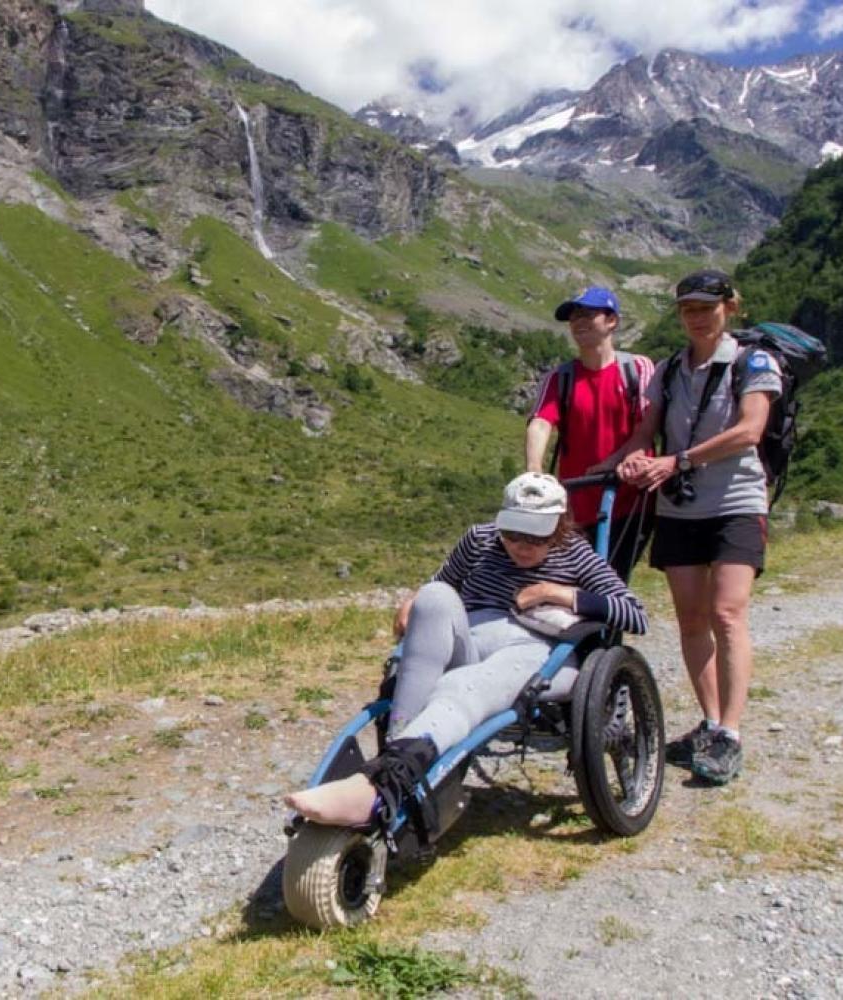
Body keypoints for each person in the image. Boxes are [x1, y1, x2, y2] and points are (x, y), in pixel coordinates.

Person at [284, 472, 647, 829]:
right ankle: (398, 752)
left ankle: (386, 781)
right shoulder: (480, 539)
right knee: (435, 597)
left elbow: (634, 614)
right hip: (471, 640)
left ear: (557, 527)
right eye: (512, 533)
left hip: (535, 652)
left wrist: (555, 593)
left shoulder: (576, 554)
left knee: (464, 685)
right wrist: (415, 603)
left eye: (534, 536)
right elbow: (442, 583)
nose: (521, 545)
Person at [602, 269, 781, 786]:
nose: (697, 317)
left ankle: (730, 733)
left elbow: (749, 430)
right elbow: (643, 432)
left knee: (727, 614)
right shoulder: (669, 370)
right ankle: (709, 722)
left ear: (730, 308)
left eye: (707, 307)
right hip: (680, 508)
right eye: (688, 309)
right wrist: (626, 463)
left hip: (736, 502)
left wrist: (675, 462)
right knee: (691, 620)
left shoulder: (753, 362)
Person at [525, 286, 655, 581]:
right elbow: (541, 422)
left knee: (608, 582)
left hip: (629, 500)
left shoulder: (636, 368)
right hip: (576, 504)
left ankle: (609, 627)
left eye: (588, 314)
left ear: (612, 321)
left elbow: (647, 424)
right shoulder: (561, 378)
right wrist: (534, 471)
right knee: (575, 584)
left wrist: (616, 461)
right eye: (574, 317)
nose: (579, 322)